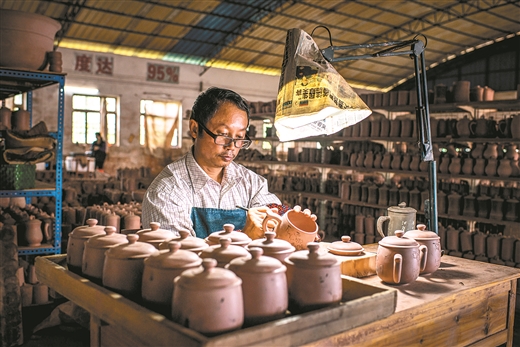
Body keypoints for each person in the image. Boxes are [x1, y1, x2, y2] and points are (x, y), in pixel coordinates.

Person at [142, 87, 315, 238]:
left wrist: (292, 221)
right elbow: (179, 260)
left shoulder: (251, 183)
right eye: (223, 134)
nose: (232, 146)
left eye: (239, 138)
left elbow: (273, 217)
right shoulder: (167, 192)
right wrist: (244, 236)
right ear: (195, 129)